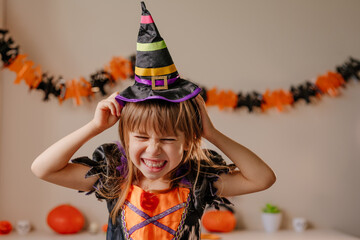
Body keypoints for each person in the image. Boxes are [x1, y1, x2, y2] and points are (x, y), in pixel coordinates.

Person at [31, 2, 276, 239]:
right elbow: (43, 169)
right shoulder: (113, 177)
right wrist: (94, 127)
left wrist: (211, 133)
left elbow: (262, 179)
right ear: (125, 138)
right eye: (141, 137)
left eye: (168, 138)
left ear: (189, 141)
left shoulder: (199, 181)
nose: (153, 149)